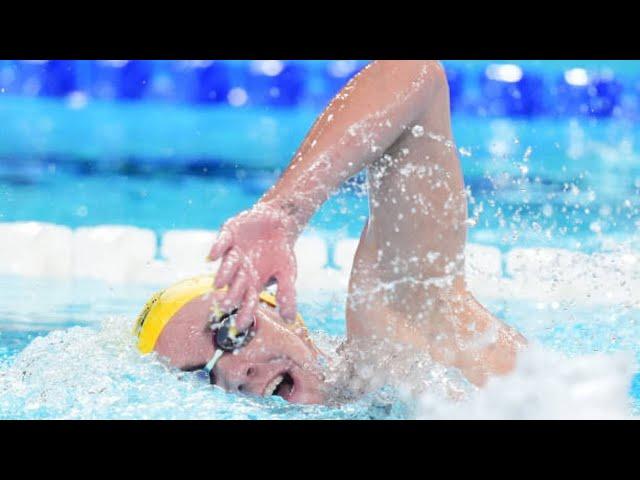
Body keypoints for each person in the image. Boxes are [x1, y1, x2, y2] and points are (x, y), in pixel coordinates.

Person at [135, 60, 526, 404]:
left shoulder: (397, 348)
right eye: (203, 378)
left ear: (282, 315)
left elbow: (416, 77)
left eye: (231, 334)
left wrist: (284, 211)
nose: (237, 374)